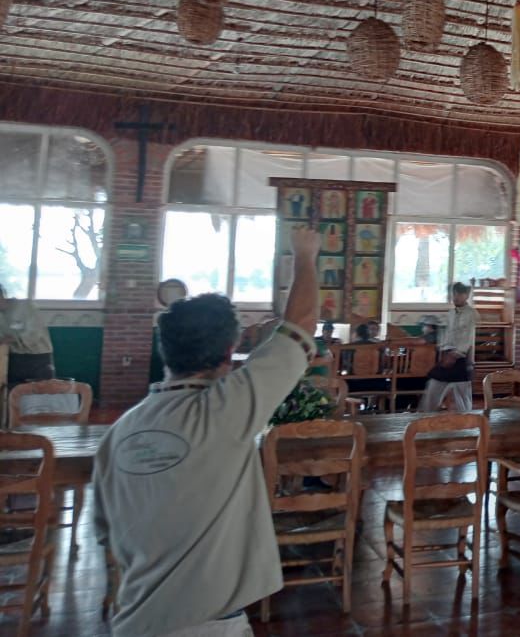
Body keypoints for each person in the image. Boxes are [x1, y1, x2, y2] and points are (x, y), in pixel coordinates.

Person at [93, 225, 320, 637]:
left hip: (131, 621)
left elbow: (105, 536)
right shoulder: (223, 412)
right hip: (208, 626)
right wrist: (305, 255)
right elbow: (300, 326)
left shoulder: (117, 434)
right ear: (229, 351)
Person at [418, 282, 477, 412]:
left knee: (463, 396)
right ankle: (423, 419)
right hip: (447, 355)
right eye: (454, 294)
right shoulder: (451, 313)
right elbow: (448, 334)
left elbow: (467, 337)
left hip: (461, 358)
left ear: (466, 296)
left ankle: (469, 423)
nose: (455, 297)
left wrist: (455, 354)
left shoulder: (471, 314)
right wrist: (443, 349)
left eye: (459, 294)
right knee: (433, 388)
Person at [0, 283, 55, 384]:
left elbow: (34, 334)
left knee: (38, 395)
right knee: (14, 395)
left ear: (2, 295)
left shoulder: (25, 306)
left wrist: (12, 338)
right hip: (14, 360)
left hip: (38, 359)